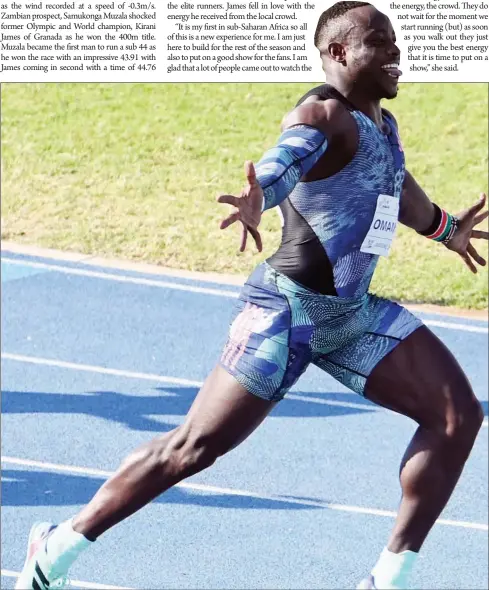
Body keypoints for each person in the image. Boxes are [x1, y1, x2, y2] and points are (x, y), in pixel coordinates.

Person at [16, 3, 488, 590]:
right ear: (339, 53)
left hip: (354, 316)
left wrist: (445, 229)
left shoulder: (379, 123)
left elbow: (393, 183)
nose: (396, 53)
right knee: (191, 449)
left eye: (396, 41)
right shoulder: (322, 115)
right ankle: (53, 551)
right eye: (380, 43)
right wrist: (258, 196)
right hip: (286, 314)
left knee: (456, 415)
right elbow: (286, 161)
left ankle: (387, 581)